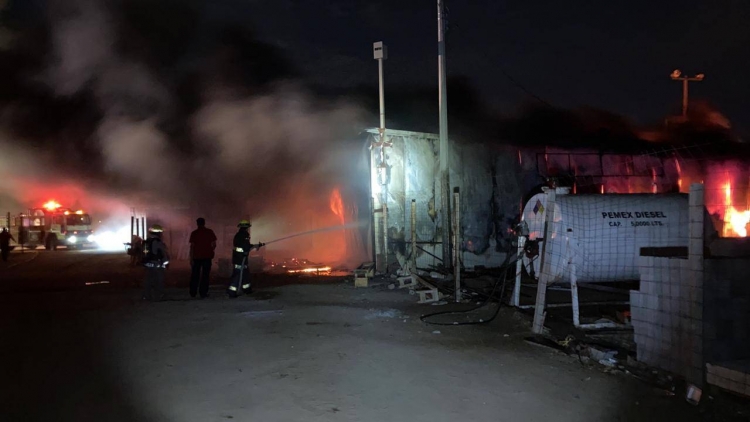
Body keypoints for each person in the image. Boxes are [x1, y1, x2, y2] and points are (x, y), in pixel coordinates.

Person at [227, 220, 264, 298]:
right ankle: (232, 292)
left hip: (239, 258)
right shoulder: (244, 234)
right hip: (240, 259)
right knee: (238, 275)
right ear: (246, 227)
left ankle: (247, 289)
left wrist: (256, 245)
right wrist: (251, 247)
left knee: (245, 274)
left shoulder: (239, 234)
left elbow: (246, 245)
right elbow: (245, 246)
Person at [189, 217, 217, 298]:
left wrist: (191, 258)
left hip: (196, 257)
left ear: (197, 224)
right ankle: (203, 293)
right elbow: (214, 244)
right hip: (207, 257)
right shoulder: (209, 232)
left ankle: (193, 292)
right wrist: (210, 250)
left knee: (195, 275)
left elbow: (192, 247)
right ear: (204, 223)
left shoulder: (194, 233)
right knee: (205, 275)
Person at [142, 225, 170, 301]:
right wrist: (166, 263)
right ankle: (159, 295)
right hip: (157, 264)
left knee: (148, 281)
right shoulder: (158, 242)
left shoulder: (146, 241)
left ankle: (146, 296)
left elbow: (144, 253)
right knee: (159, 280)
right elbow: (163, 254)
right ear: (158, 233)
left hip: (148, 264)